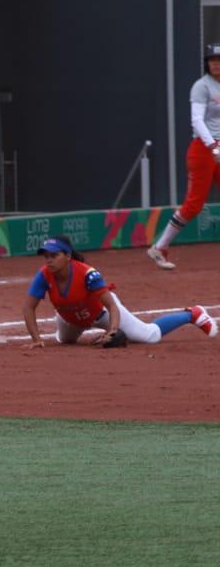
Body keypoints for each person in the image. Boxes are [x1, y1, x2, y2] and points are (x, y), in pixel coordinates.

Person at [25, 235, 216, 347]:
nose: (48, 260)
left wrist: (112, 331)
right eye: (46, 256)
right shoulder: (44, 275)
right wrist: (36, 339)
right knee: (65, 342)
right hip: (69, 318)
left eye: (54, 255)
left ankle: (191, 314)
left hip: (102, 314)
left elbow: (111, 305)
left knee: (149, 337)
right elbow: (28, 308)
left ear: (67, 256)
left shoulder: (87, 274)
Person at [147, 44, 220, 269]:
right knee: (194, 204)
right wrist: (213, 146)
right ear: (206, 63)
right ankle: (159, 248)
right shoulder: (201, 86)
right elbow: (197, 120)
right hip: (204, 149)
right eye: (212, 60)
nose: (216, 63)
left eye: (219, 59)